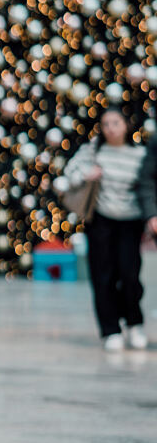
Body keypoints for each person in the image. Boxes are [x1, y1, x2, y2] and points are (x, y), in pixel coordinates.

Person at [67, 107, 147, 352]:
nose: (110, 128)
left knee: (129, 275)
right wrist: (86, 175)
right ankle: (110, 329)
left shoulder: (140, 154)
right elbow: (69, 174)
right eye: (106, 124)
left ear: (126, 125)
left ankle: (134, 322)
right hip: (101, 220)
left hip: (131, 221)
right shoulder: (93, 150)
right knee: (103, 276)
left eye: (116, 123)